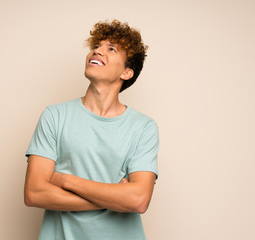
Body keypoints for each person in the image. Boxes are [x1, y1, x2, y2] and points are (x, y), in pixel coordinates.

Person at [24, 20, 160, 240]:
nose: (97, 50)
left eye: (111, 49)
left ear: (126, 72)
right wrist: (115, 198)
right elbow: (34, 193)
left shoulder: (143, 127)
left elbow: (138, 200)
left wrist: (66, 181)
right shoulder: (55, 115)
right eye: (97, 46)